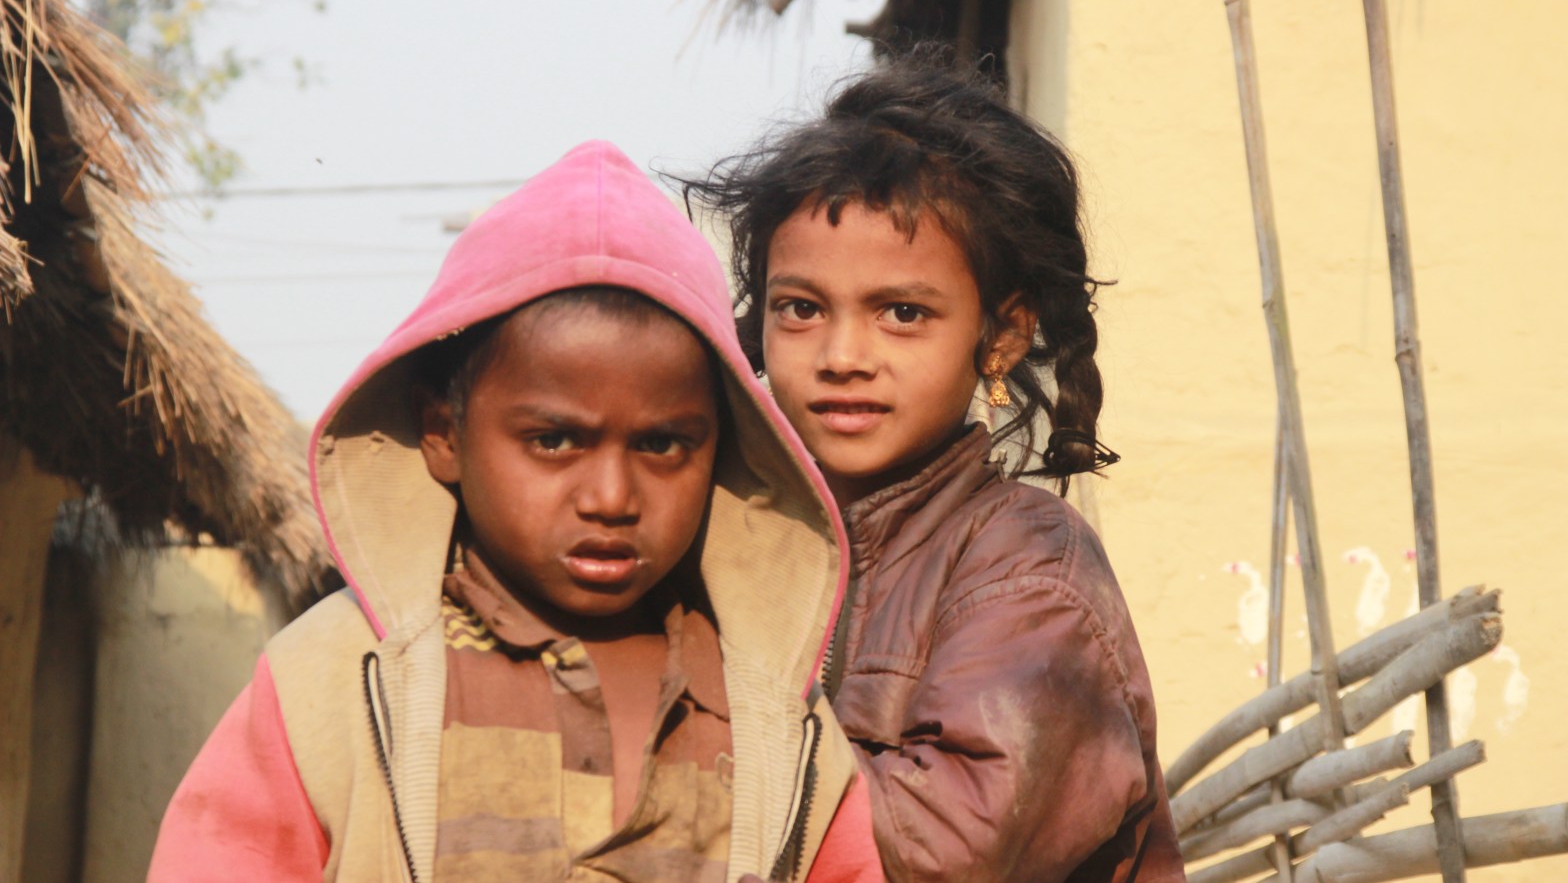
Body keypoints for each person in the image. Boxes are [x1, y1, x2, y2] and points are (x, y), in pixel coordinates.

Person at [149, 141, 883, 883]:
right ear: (443, 432)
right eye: (555, 440)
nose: (611, 497)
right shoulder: (337, 677)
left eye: (662, 444)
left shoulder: (770, 708)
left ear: (722, 448)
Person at [682, 55, 1186, 883]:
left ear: (1001, 338)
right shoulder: (732, 535)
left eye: (902, 313)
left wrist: (666, 775)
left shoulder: (1027, 572)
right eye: (801, 309)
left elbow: (941, 851)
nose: (844, 356)